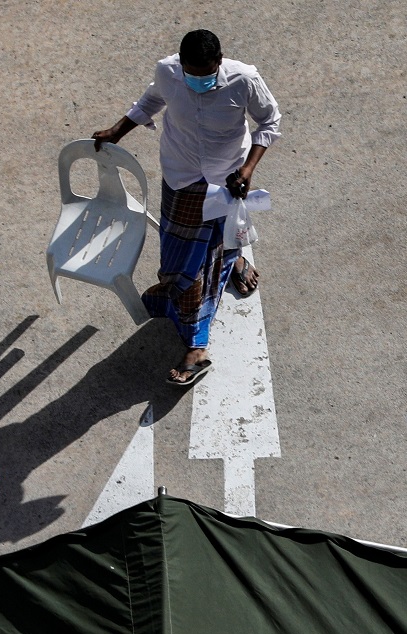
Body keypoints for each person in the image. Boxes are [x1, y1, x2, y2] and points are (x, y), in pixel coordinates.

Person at [92, 29, 281, 385]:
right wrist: (116, 131)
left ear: (220, 61)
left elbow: (270, 121)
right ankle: (228, 263)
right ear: (181, 64)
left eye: (206, 72)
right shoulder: (168, 71)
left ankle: (197, 345)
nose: (198, 80)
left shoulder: (245, 80)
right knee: (181, 260)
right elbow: (149, 102)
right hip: (180, 177)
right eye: (191, 73)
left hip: (227, 178)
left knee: (214, 245)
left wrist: (248, 168)